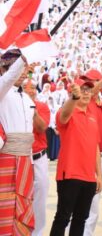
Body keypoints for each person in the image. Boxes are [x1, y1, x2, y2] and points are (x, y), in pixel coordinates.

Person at [49, 78, 102, 236]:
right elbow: (63, 116)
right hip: (70, 174)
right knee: (63, 218)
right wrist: (74, 98)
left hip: (89, 177)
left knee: (81, 219)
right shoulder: (67, 111)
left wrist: (98, 175)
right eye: (82, 89)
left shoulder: (93, 117)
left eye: (88, 90)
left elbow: (95, 147)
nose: (86, 93)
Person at [0, 51, 36, 234]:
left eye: (25, 70)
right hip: (5, 158)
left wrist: (30, 163)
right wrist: (22, 59)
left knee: (24, 204)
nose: (23, 72)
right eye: (19, 69)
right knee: (4, 206)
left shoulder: (28, 98)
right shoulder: (2, 91)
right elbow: (7, 80)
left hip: (25, 160)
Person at [81, 69, 102, 236]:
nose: (88, 86)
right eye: (86, 82)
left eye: (92, 81)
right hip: (81, 158)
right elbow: (87, 93)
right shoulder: (82, 101)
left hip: (99, 159)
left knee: (94, 204)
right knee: (78, 203)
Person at [32, 96, 51, 236]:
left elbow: (42, 127)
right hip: (19, 157)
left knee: (40, 199)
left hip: (39, 157)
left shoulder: (42, 106)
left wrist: (33, 110)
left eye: (33, 87)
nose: (30, 90)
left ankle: (37, 233)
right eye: (26, 87)